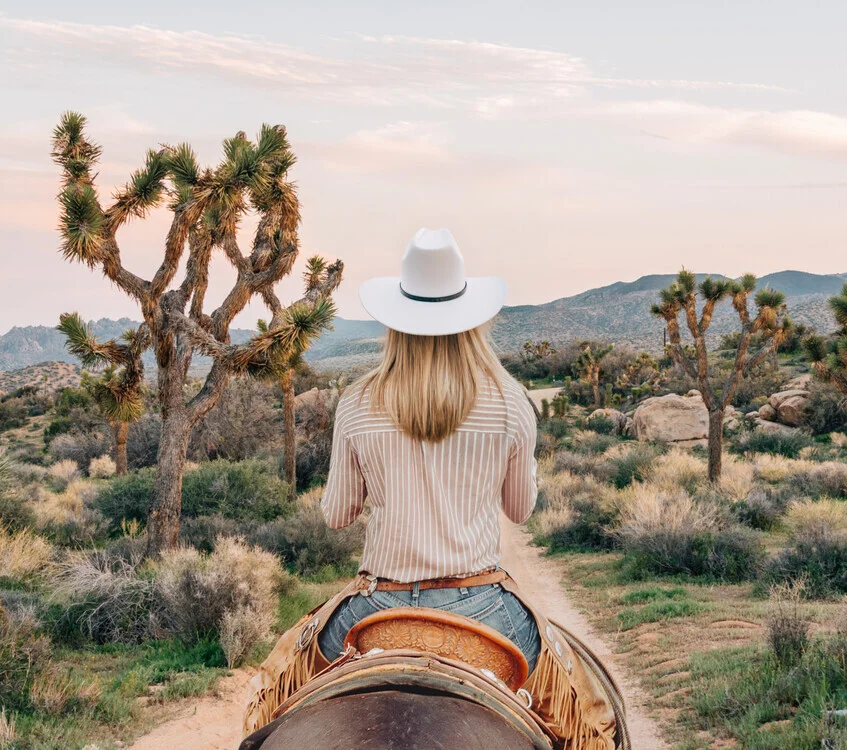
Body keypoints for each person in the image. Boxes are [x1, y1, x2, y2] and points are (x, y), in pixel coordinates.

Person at [243, 229, 618, 749]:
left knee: (273, 690)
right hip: (488, 608)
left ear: (397, 318)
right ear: (470, 317)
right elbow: (520, 510)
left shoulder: (356, 401)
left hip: (375, 607)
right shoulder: (511, 401)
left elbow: (336, 515)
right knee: (587, 716)